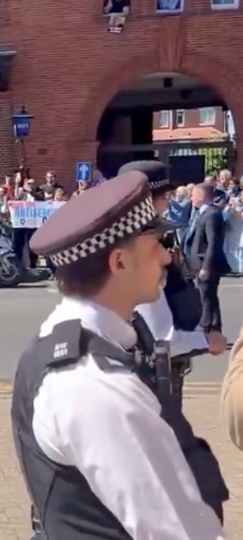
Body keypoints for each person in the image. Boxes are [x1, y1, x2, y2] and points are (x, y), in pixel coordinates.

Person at [13, 171, 226, 538]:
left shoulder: (73, 338)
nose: (165, 257)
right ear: (119, 263)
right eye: (155, 244)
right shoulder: (96, 385)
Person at [121, 160, 230, 521]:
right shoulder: (140, 259)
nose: (166, 254)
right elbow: (162, 341)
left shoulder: (127, 244)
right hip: (153, 383)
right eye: (164, 196)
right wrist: (208, 341)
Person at [187, 184, 230, 333]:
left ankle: (205, 325)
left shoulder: (211, 214)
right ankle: (215, 325)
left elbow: (213, 243)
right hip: (200, 262)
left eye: (193, 195)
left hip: (207, 263)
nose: (191, 198)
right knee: (209, 295)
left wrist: (206, 266)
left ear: (201, 196)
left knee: (205, 296)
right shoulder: (202, 213)